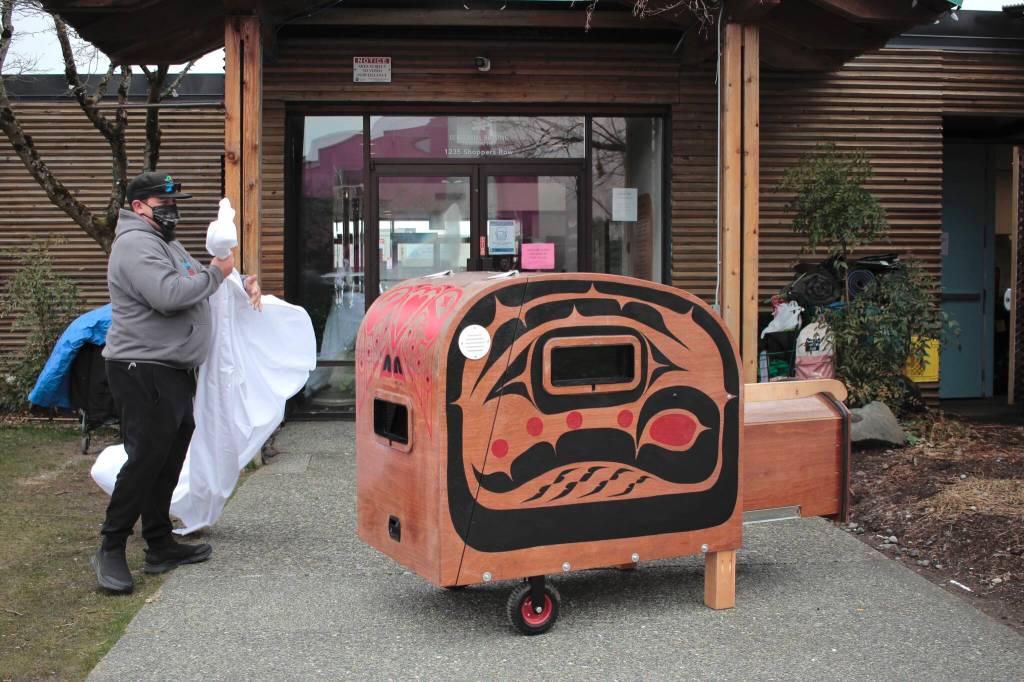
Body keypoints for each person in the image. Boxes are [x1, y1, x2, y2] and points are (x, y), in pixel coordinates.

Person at [91, 171, 261, 593]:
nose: (172, 211)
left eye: (173, 203)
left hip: (169, 369)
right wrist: (219, 275)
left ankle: (159, 543)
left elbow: (196, 280)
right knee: (146, 457)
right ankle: (111, 547)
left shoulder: (164, 242)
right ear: (138, 208)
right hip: (141, 368)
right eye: (162, 205)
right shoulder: (134, 245)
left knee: (168, 458)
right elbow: (169, 294)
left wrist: (235, 283)